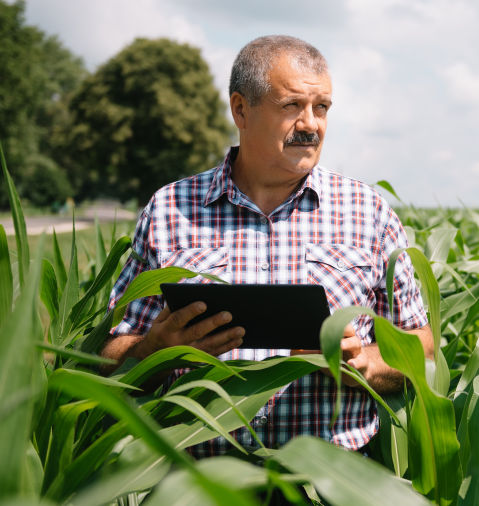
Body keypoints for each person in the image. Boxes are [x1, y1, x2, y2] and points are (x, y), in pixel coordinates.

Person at [99, 35, 432, 456]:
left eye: (322, 107)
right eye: (292, 105)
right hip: (197, 484)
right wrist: (156, 349)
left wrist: (364, 364)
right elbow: (107, 354)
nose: (311, 124)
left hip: (330, 486)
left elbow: (420, 343)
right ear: (241, 108)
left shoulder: (369, 212)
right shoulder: (169, 210)